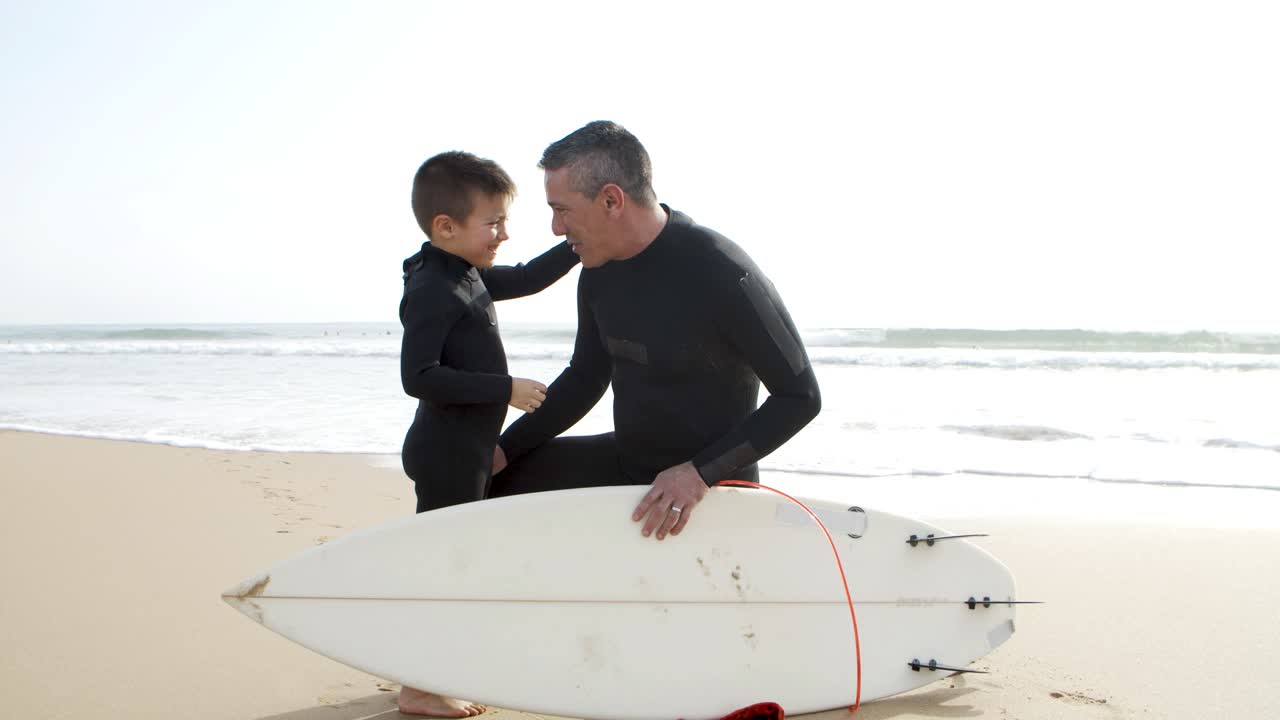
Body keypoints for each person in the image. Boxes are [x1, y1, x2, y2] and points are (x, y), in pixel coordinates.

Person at [489, 121, 821, 542]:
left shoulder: (721, 270)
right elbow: (586, 378)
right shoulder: (598, 270)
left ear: (611, 200)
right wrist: (505, 448)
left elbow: (801, 397)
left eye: (562, 209)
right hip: (628, 465)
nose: (556, 228)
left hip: (712, 491)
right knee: (488, 480)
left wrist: (700, 474)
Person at [398, 150, 578, 716]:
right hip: (446, 453)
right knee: (445, 570)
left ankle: (420, 674)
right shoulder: (432, 288)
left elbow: (524, 278)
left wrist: (577, 245)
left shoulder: (462, 270)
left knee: (452, 564)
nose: (503, 234)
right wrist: (505, 389)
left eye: (505, 221)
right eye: (493, 223)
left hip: (464, 451)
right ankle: (420, 688)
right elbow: (418, 376)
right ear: (445, 227)